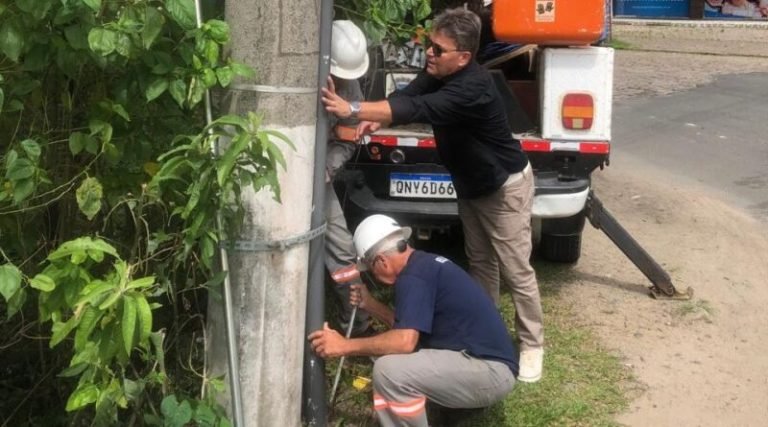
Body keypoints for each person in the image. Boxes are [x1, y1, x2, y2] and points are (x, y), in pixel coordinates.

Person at [320, 8, 545, 382]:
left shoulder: (470, 87)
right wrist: (379, 116)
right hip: (471, 185)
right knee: (480, 262)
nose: (430, 54)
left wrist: (352, 108)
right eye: (429, 45)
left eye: (439, 50)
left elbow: (420, 108)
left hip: (503, 186)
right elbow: (410, 94)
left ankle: (532, 344)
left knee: (515, 267)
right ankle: (481, 327)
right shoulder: (439, 71)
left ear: (464, 56)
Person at [308, 214, 517, 427]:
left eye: (371, 270)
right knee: (401, 358)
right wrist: (370, 305)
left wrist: (343, 346)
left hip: (490, 373)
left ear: (381, 261)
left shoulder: (413, 278)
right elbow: (407, 328)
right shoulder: (423, 266)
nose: (374, 276)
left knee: (389, 371)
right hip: (488, 364)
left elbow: (404, 342)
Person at [325, 20, 372, 336]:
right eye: (340, 76)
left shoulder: (351, 85)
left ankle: (356, 326)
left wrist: (327, 168)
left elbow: (348, 138)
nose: (345, 83)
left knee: (342, 248)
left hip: (318, 180)